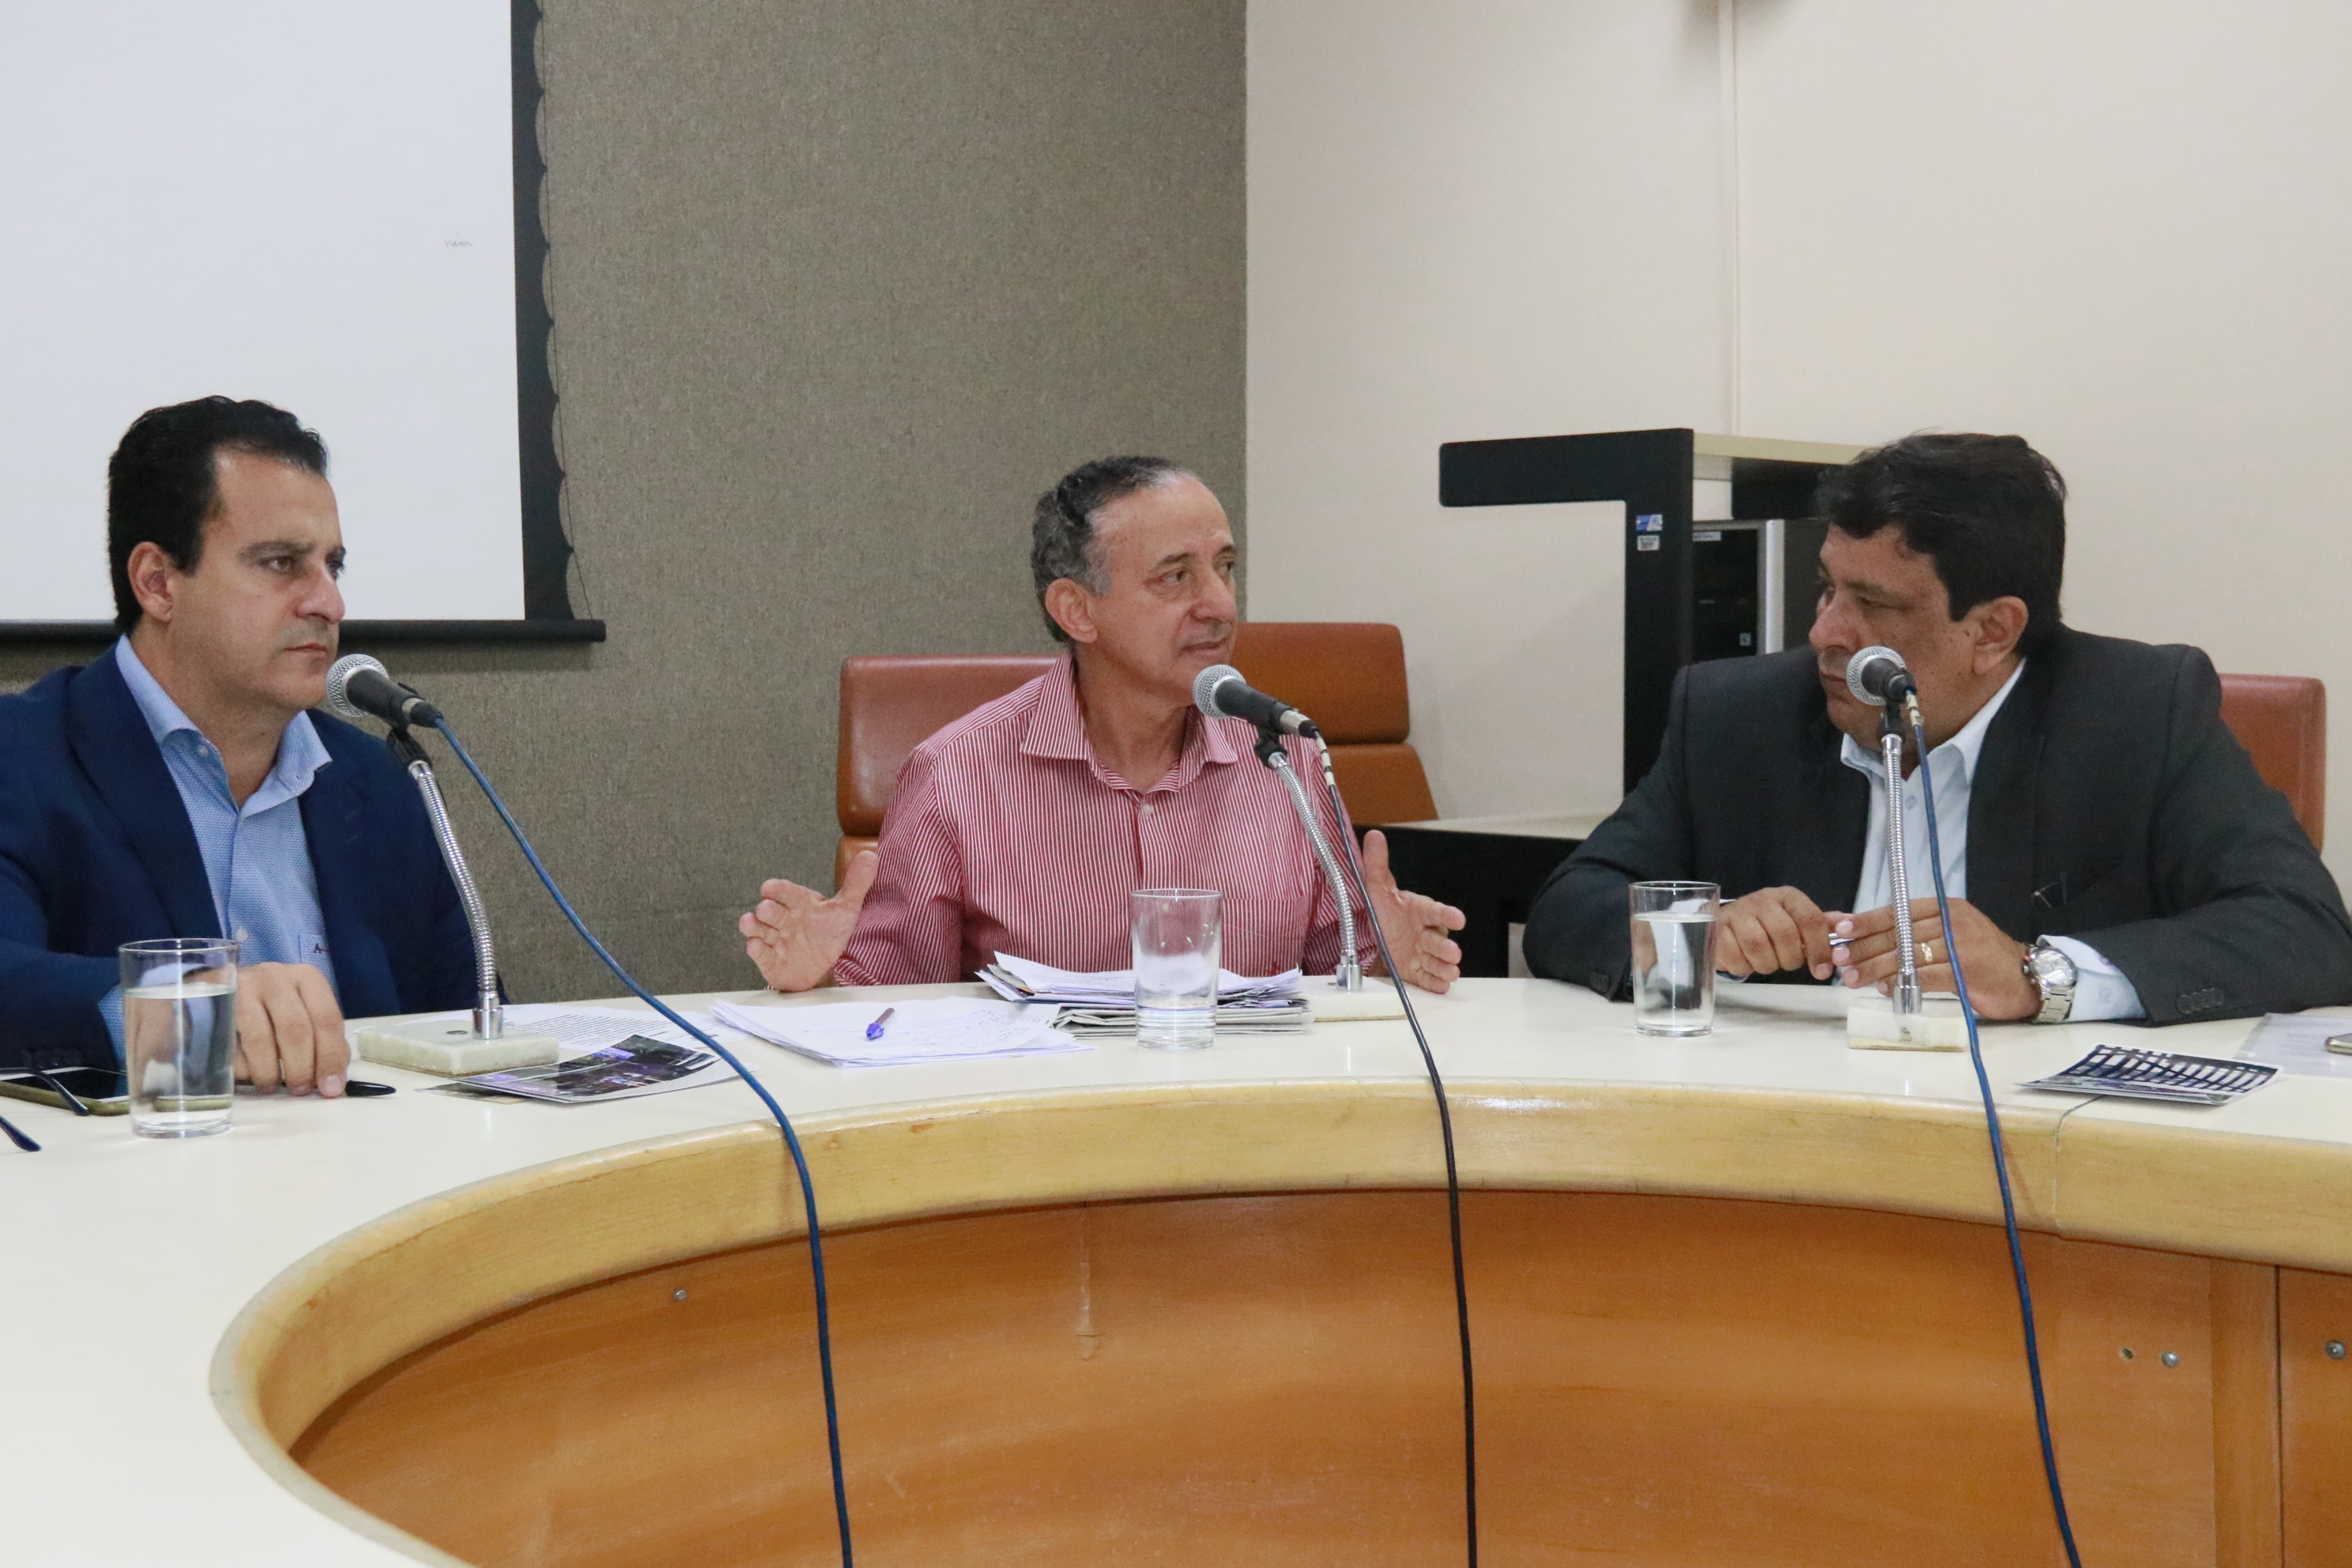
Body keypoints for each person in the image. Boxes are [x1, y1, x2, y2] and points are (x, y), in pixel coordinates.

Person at [1523, 432, 2352, 1025]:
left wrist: (2039, 975)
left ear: (1992, 630)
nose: (1825, 632)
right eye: (1827, 588)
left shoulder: (2138, 712)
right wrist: (1703, 928)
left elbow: (2305, 930)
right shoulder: (1737, 712)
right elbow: (1569, 905)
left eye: (1873, 604)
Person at [739, 456, 1465, 993]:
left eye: (1226, 567)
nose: (1220, 604)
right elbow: (890, 1009)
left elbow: (1337, 979)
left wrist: (1384, 962)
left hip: (1251, 1128)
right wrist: (818, 979)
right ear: (1077, 611)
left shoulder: (1282, 754)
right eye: (1176, 577)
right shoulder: (957, 775)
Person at [0, 397, 475, 1091]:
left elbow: (467, 1020)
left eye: (333, 567)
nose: (329, 604)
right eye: (281, 563)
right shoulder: (22, 758)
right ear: (158, 583)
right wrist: (180, 1011)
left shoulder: (377, 782)